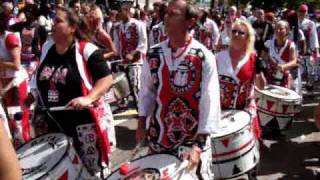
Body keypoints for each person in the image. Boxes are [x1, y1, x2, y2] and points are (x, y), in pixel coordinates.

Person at [137, 0, 221, 179]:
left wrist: (198, 146)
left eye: (173, 14)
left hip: (191, 141)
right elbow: (146, 91)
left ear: (190, 21)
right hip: (159, 137)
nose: (166, 17)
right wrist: (141, 121)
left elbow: (210, 100)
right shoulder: (154, 54)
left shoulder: (203, 57)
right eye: (166, 13)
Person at [30, 7, 113, 178]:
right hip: (54, 124)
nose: (53, 25)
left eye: (58, 21)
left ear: (72, 27)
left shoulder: (87, 50)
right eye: (53, 21)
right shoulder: (47, 48)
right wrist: (31, 96)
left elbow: (106, 79)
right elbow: (39, 75)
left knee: (92, 173)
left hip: (84, 125)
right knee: (64, 171)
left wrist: (88, 97)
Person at [0, 14, 30, 148]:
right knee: (12, 124)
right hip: (6, 86)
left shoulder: (9, 38)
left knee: (19, 124)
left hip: (16, 84)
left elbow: (16, 65)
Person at [117, 1, 148, 109]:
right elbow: (118, 43)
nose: (119, 14)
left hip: (136, 61)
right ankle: (125, 104)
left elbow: (143, 42)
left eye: (120, 11)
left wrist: (132, 54)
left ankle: (141, 108)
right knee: (123, 86)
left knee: (136, 85)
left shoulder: (138, 24)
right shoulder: (119, 26)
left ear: (126, 11)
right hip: (123, 61)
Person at [262, 20, 298, 89]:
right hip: (270, 76)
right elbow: (263, 57)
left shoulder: (290, 45)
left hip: (284, 76)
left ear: (287, 30)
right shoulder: (268, 44)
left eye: (281, 29)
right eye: (276, 29)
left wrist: (283, 66)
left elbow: (294, 61)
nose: (278, 31)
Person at [297, 4, 319, 91]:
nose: (302, 13)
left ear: (306, 12)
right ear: (297, 11)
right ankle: (298, 89)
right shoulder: (294, 22)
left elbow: (314, 37)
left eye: (304, 11)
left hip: (308, 49)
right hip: (296, 50)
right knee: (299, 70)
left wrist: (316, 50)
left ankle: (310, 86)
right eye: (301, 11)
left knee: (311, 70)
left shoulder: (310, 23)